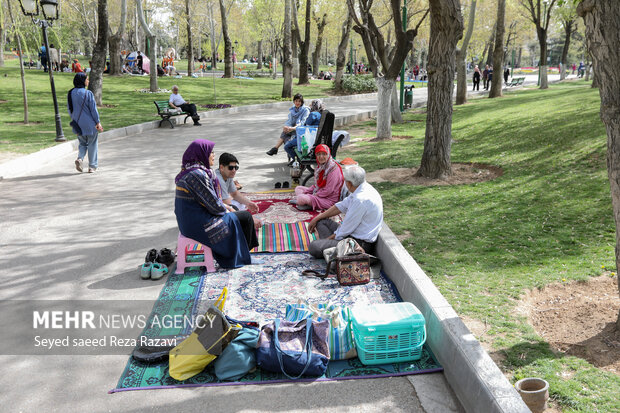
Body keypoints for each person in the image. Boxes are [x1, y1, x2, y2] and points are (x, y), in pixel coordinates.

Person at [174, 140, 259, 268]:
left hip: (190, 220)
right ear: (202, 153)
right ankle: (240, 256)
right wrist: (228, 210)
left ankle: (243, 254)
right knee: (245, 218)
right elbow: (214, 206)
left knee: (238, 214)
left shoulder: (191, 171)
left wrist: (227, 208)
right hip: (197, 223)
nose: (213, 155)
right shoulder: (198, 175)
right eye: (211, 152)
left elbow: (209, 200)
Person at [307, 165, 383, 257]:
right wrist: (316, 218)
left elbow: (345, 230)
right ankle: (331, 250)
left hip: (358, 243)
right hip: (350, 235)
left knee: (313, 247)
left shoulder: (360, 200)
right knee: (321, 221)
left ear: (350, 183)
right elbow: (341, 206)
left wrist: (327, 240)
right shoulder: (361, 188)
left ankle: (332, 251)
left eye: (345, 181)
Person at [67, 73, 103, 173]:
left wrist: (74, 120)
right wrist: (98, 122)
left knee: (82, 143)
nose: (88, 81)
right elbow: (93, 110)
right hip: (90, 124)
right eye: (87, 79)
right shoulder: (88, 93)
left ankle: (80, 158)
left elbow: (70, 109)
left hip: (77, 124)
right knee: (92, 143)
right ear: (82, 81)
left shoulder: (70, 93)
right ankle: (92, 166)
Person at [290, 144, 344, 211]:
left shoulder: (332, 169)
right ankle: (305, 203)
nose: (321, 157)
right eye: (318, 154)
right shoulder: (320, 167)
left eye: (324, 154)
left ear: (328, 155)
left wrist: (314, 195)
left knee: (301, 198)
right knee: (298, 188)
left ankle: (306, 203)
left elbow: (328, 191)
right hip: (320, 193)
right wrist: (309, 191)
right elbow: (317, 186)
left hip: (329, 199)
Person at [266, 93, 310, 157]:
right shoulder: (293, 110)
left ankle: (276, 149)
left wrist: (293, 128)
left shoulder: (305, 110)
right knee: (285, 132)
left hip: (300, 130)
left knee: (286, 136)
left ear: (302, 102)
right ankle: (275, 148)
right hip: (293, 129)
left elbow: (302, 123)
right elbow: (289, 121)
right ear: (294, 101)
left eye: (299, 101)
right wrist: (286, 126)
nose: (297, 103)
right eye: (296, 101)